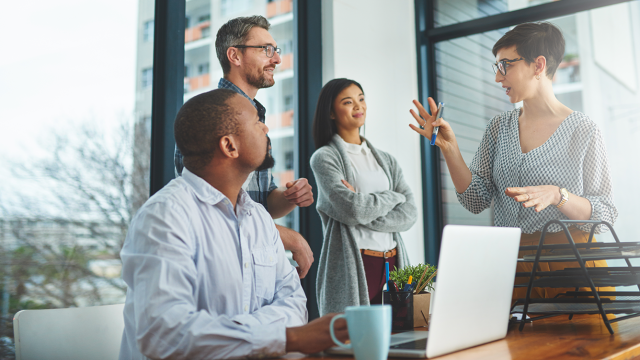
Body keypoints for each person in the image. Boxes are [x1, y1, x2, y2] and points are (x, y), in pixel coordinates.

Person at [119, 89, 348, 359]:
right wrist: (287, 338)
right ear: (230, 146)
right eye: (256, 122)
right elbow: (165, 335)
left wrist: (244, 337)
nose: (265, 127)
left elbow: (295, 304)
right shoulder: (164, 216)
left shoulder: (259, 218)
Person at [409, 22, 617, 300]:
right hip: (511, 265)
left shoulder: (583, 129)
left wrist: (558, 195)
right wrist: (449, 148)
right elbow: (475, 200)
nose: (498, 77)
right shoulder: (499, 127)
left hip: (572, 264)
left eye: (505, 65)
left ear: (538, 65)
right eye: (496, 67)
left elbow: (606, 214)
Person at [174, 15, 314, 278]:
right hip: (222, 266)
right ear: (235, 56)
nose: (277, 59)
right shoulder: (208, 115)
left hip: (255, 260)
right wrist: (288, 237)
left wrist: (288, 197)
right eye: (266, 50)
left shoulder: (257, 118)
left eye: (277, 50)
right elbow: (213, 210)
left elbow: (263, 202)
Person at [310, 78, 417, 315]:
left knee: (399, 342)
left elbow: (410, 215)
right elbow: (353, 210)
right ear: (331, 112)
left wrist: (364, 205)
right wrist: (393, 197)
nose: (359, 106)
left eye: (361, 98)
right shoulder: (324, 158)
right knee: (356, 345)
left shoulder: (387, 160)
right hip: (357, 263)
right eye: (348, 102)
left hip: (393, 262)